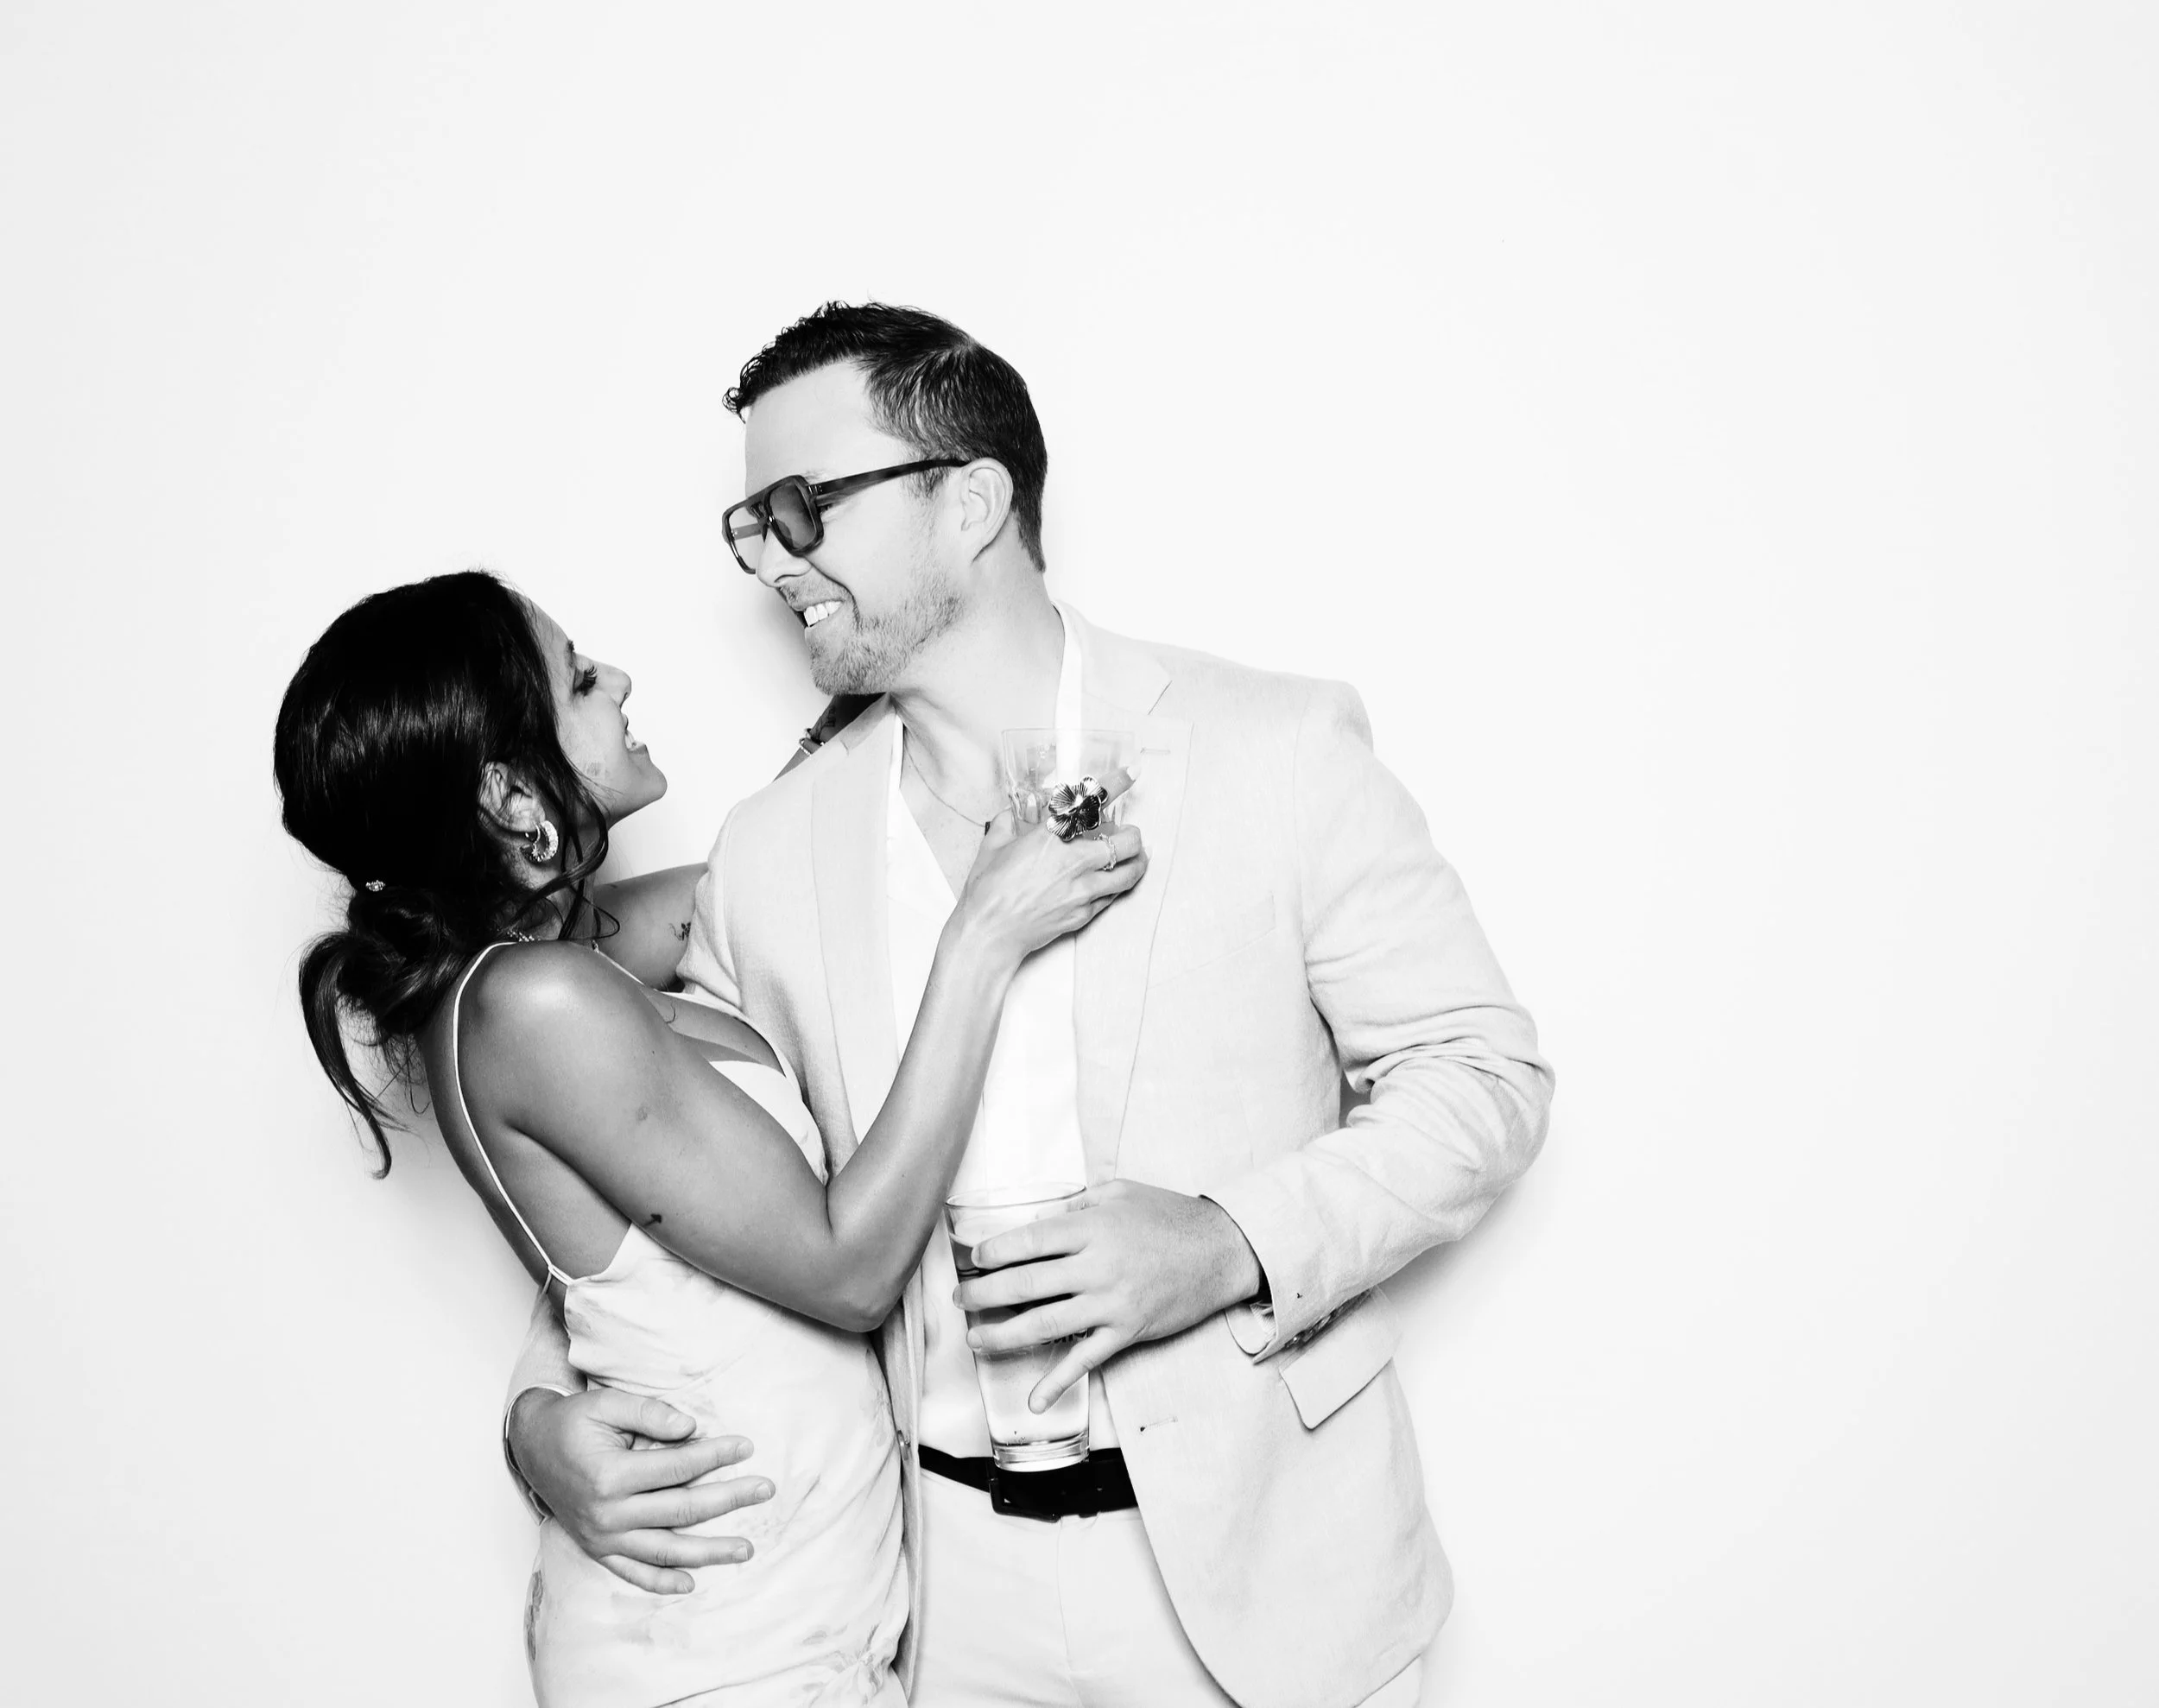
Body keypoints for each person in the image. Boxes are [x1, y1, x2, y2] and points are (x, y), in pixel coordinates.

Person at [508, 303, 1555, 1708]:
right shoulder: (771, 853)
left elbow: (1481, 1079)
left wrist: (1226, 1242)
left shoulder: (1270, 747)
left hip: (1268, 1579)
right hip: (946, 1604)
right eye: (752, 526)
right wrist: (539, 1417)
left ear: (974, 501)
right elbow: (663, 1174)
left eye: (803, 507)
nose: (773, 561)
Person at [274, 569, 1148, 1706]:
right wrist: (982, 938)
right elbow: (847, 1267)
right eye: (580, 678)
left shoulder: (559, 965)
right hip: (724, 1655)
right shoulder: (536, 1004)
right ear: (503, 792)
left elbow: (785, 888)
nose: (620, 681)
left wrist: (887, 691)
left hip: (791, 1628)